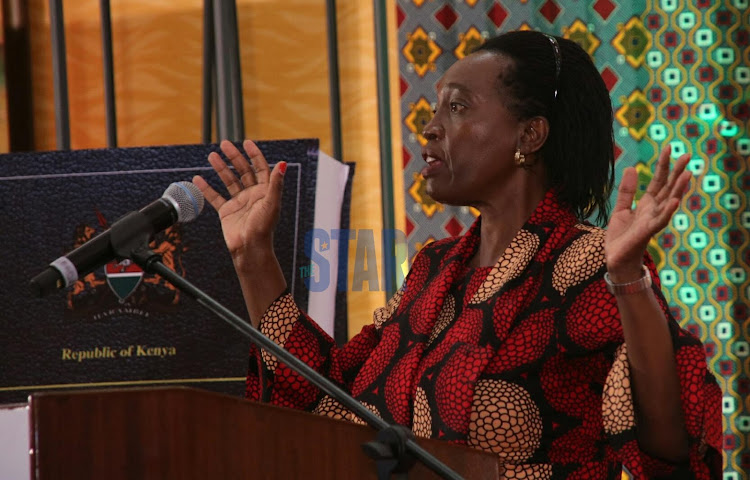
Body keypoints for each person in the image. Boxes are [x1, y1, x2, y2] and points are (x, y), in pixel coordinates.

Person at [193, 31, 721, 479]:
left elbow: (671, 448)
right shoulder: (432, 268)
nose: (429, 126)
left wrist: (628, 279)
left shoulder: (589, 264)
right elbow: (329, 403)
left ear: (529, 135)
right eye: (434, 104)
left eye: (459, 106)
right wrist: (253, 257)